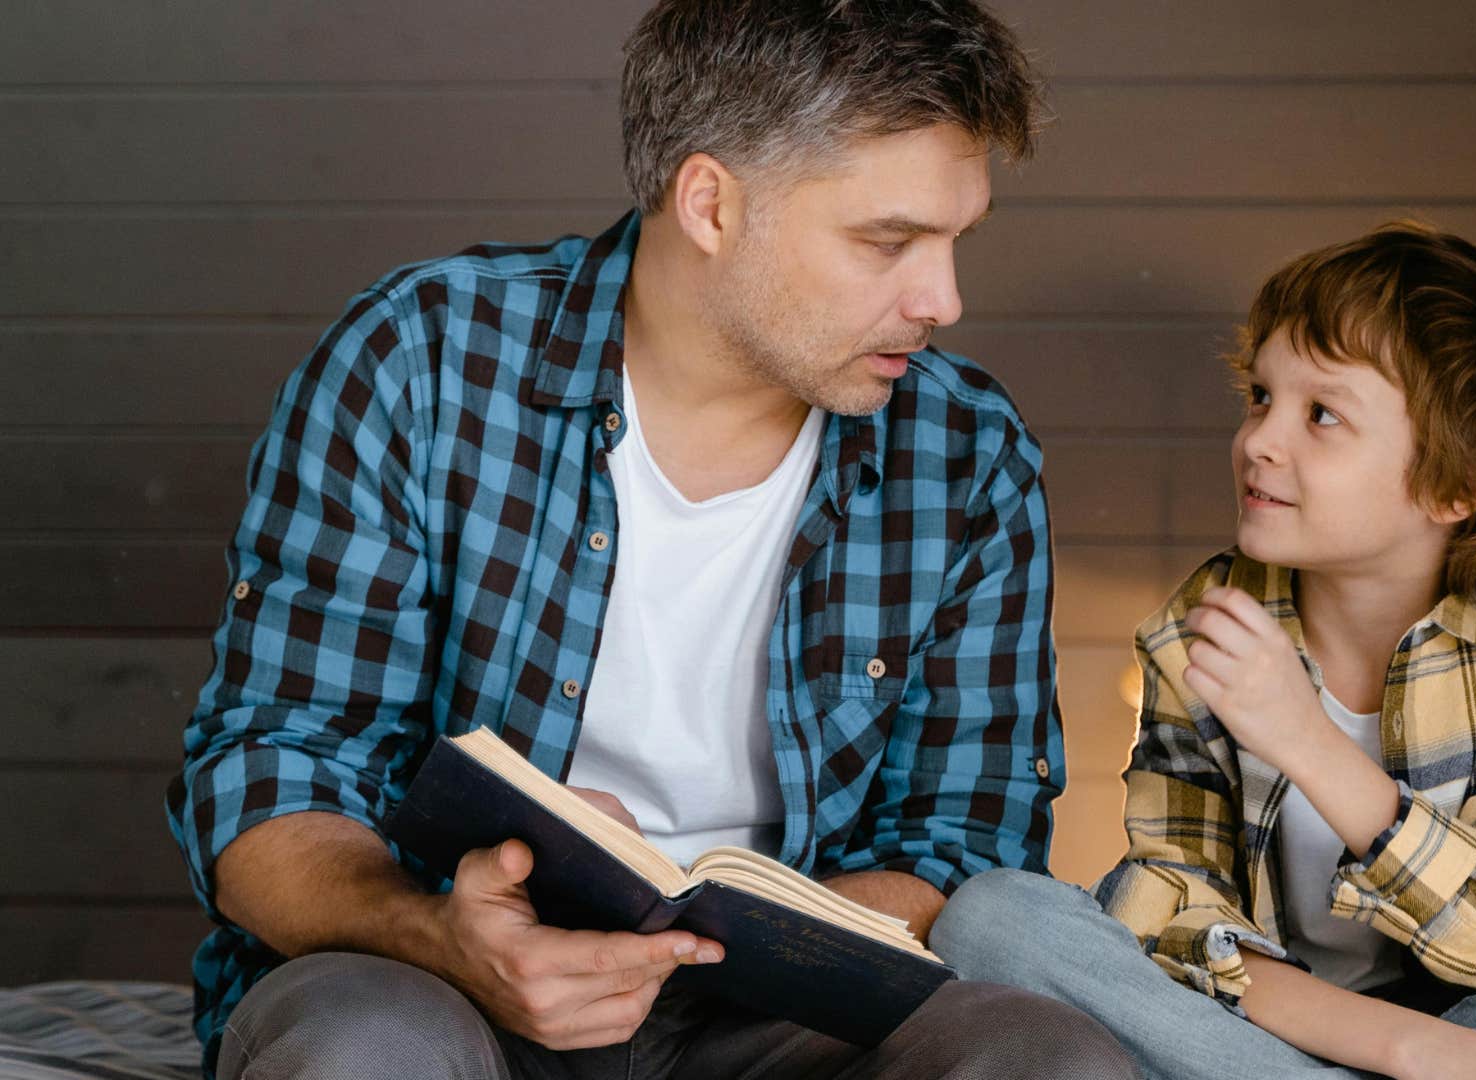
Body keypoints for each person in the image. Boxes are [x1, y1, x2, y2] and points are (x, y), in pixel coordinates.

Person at [163, 2, 1137, 1077]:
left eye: (958, 240)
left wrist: (704, 950)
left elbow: (964, 843)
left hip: (776, 1010)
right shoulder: (422, 361)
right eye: (889, 242)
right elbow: (273, 775)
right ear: (711, 203)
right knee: (367, 1051)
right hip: (441, 975)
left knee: (1048, 1059)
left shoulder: (966, 453)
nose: (943, 298)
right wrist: (444, 933)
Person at [930, 223, 1476, 1079]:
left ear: (1456, 485)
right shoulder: (1204, 623)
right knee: (988, 919)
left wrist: (1307, 741)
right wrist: (1408, 1049)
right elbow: (1174, 905)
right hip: (1274, 1025)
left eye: (1321, 413)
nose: (1260, 441)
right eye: (1260, 397)